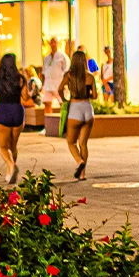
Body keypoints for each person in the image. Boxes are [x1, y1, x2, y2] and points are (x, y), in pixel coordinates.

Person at [0, 53, 30, 184]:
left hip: (3, 111)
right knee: (13, 146)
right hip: (17, 111)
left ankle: (11, 165)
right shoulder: (20, 78)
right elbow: (26, 98)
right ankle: (9, 173)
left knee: (3, 147)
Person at [58, 49, 96, 180]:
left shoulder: (69, 76)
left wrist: (64, 100)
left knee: (71, 142)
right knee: (83, 144)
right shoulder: (90, 77)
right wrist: (87, 93)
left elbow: (59, 89)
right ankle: (83, 174)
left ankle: (79, 162)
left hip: (75, 108)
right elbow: (95, 96)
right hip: (88, 108)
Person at [41, 37, 70, 111]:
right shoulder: (46, 58)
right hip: (48, 84)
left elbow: (66, 70)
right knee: (47, 103)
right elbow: (44, 72)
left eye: (55, 42)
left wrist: (65, 83)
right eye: (51, 42)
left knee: (62, 103)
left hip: (58, 83)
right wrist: (43, 85)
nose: (53, 44)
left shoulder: (62, 56)